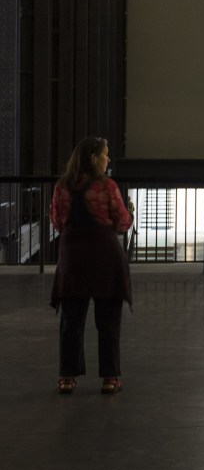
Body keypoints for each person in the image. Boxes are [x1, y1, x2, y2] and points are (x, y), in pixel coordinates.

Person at [49, 136, 133, 395]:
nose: (108, 159)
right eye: (105, 154)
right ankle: (109, 378)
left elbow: (57, 221)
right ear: (95, 157)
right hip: (104, 257)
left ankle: (67, 376)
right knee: (108, 320)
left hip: (73, 256)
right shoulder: (106, 186)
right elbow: (121, 222)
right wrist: (130, 212)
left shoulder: (62, 186)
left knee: (72, 319)